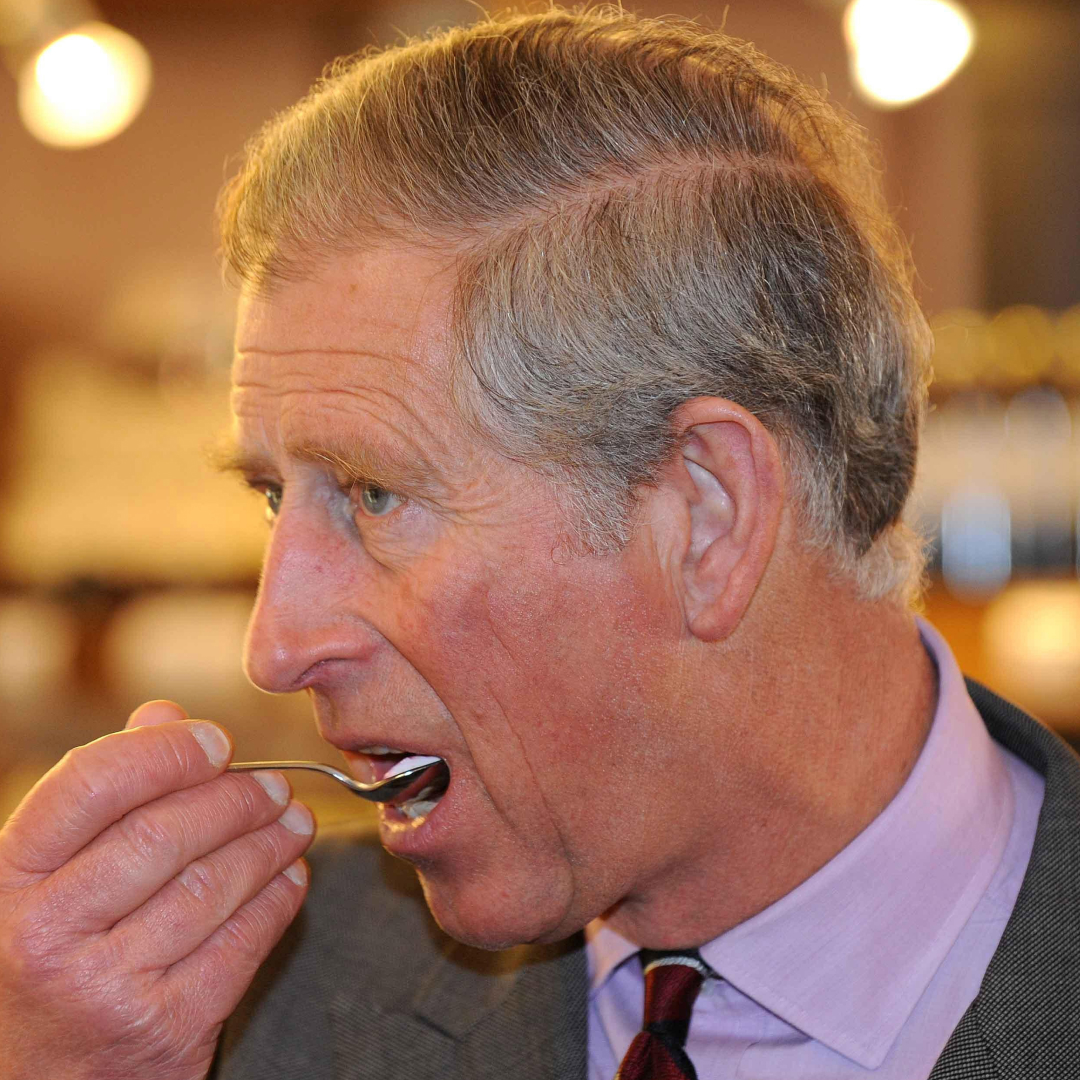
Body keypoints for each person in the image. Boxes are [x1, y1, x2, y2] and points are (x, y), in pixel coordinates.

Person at [1, 8, 1077, 1079]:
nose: (273, 649)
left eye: (375, 495)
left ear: (706, 512)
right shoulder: (208, 1014)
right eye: (278, 497)